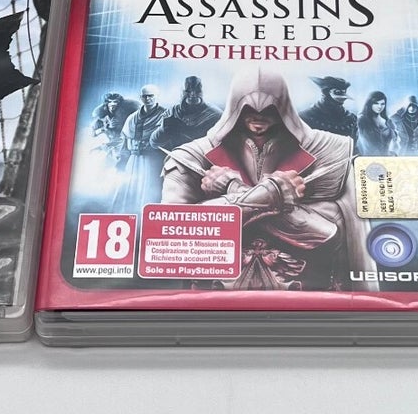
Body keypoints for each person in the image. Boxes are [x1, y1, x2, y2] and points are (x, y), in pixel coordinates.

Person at [160, 66, 372, 291]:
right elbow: (172, 236)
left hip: (307, 296)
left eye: (270, 109)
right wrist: (272, 194)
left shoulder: (332, 151)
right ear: (235, 106)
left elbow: (341, 236)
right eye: (248, 108)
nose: (259, 116)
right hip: (211, 296)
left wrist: (230, 194)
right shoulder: (190, 157)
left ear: (283, 107)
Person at [112, 86, 167, 211]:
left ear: (156, 96)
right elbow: (124, 139)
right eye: (144, 96)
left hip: (153, 160)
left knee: (150, 189)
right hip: (134, 159)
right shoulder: (132, 117)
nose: (147, 99)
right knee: (129, 186)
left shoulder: (165, 115)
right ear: (141, 97)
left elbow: (168, 137)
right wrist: (122, 158)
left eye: (150, 96)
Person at [149, 76, 220, 154]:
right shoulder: (172, 111)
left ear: (202, 92)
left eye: (197, 91)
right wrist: (163, 130)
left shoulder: (215, 115)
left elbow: (218, 145)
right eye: (188, 91)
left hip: (201, 157)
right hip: (175, 156)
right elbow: (154, 143)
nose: (193, 94)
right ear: (182, 92)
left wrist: (186, 131)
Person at [301, 76, 357, 142]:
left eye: (344, 92)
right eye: (337, 92)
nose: (343, 98)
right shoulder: (306, 116)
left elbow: (354, 143)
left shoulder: (351, 119)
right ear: (325, 93)